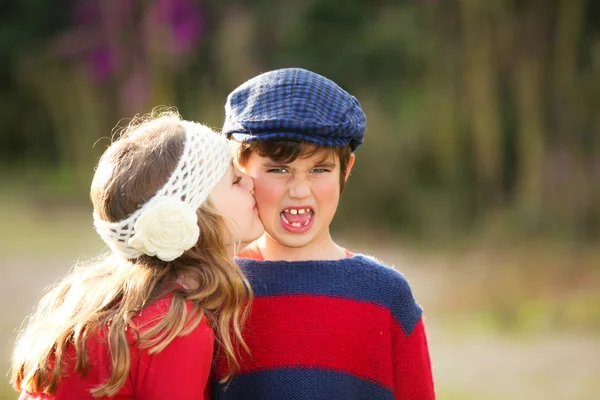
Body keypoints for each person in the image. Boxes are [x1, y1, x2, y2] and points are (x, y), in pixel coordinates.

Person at [213, 68, 436, 399]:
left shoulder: (387, 298)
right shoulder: (215, 290)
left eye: (319, 169)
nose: (300, 191)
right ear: (240, 171)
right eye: (278, 170)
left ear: (346, 170)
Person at [11, 111, 264, 400]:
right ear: (193, 217)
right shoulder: (171, 327)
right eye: (234, 180)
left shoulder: (95, 298)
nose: (250, 180)